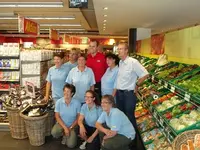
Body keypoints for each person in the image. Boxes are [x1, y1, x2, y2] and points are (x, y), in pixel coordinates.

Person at [115, 42, 149, 128]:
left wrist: (137, 85)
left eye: (121, 49)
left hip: (128, 94)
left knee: (129, 117)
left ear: (126, 50)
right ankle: (124, 136)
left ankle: (132, 138)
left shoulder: (133, 62)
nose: (118, 51)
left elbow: (145, 74)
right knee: (121, 116)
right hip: (119, 94)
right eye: (118, 49)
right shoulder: (120, 62)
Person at [51, 83, 81, 148]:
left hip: (73, 126)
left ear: (72, 93)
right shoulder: (59, 102)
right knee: (54, 133)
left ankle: (68, 135)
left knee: (71, 145)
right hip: (62, 124)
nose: (65, 93)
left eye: (68, 91)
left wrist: (70, 128)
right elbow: (57, 116)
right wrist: (65, 128)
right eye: (64, 91)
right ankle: (64, 134)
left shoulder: (77, 103)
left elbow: (78, 118)